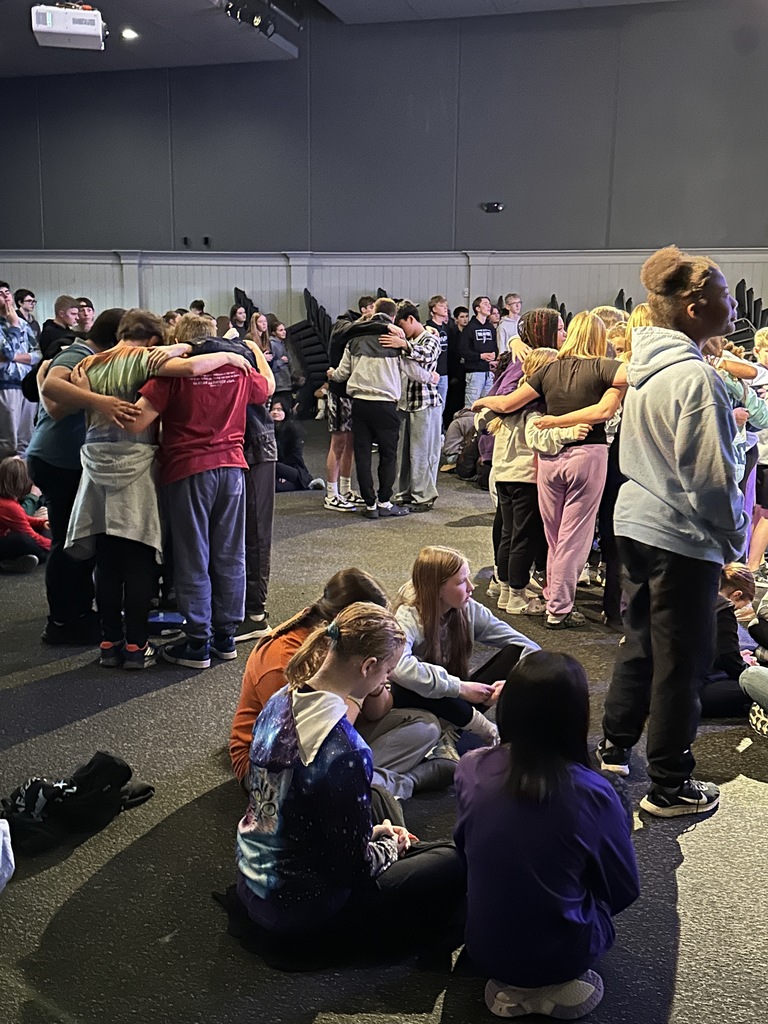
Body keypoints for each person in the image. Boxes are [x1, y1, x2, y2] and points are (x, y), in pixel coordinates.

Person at [597, 246, 748, 818]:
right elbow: (711, 482)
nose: (733, 303)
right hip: (680, 535)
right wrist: (735, 543)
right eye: (726, 295)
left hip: (636, 521)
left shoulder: (645, 367)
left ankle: (614, 746)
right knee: (683, 661)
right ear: (693, 308)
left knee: (639, 640)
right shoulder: (695, 378)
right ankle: (670, 784)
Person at [235, 602, 466, 950]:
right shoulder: (345, 750)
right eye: (386, 671)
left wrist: (375, 832)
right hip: (303, 910)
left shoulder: (280, 699)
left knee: (379, 800)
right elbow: (354, 867)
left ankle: (400, 831)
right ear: (368, 666)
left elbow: (294, 808)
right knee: (453, 860)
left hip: (254, 880)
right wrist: (390, 844)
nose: (386, 679)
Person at [454, 651, 639, 1020]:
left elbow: (465, 852)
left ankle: (515, 988)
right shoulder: (594, 792)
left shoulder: (470, 766)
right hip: (564, 955)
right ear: (577, 715)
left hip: (482, 948)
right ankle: (553, 985)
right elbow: (622, 889)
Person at [64, 310, 251, 669]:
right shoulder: (224, 368)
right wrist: (235, 353)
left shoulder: (95, 364)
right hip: (221, 465)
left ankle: (178, 641)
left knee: (129, 558)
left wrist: (93, 401)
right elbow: (265, 387)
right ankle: (220, 636)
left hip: (144, 467)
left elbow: (55, 391)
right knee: (222, 553)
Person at [121, 313, 270, 669]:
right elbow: (267, 388)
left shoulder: (173, 373)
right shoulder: (239, 369)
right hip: (232, 468)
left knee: (193, 556)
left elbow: (138, 420)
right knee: (230, 554)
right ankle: (225, 636)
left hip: (189, 471)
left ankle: (198, 641)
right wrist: (249, 349)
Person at [230, 568, 450, 800]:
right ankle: (404, 783)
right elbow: (308, 743)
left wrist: (373, 685)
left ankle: (365, 779)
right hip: (277, 761)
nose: (388, 676)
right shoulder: (282, 661)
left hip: (330, 732)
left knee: (426, 725)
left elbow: (376, 713)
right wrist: (358, 695)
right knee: (334, 779)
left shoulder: (348, 650)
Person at [475, 311, 625, 629]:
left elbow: (507, 403)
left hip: (547, 459)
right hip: (587, 457)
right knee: (575, 537)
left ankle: (552, 596)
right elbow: (605, 410)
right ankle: (558, 608)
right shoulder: (607, 368)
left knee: (554, 535)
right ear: (600, 339)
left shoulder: (548, 370)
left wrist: (483, 402)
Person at [27, 309, 131, 644]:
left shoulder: (87, 356)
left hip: (64, 458)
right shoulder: (78, 352)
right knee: (68, 544)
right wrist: (101, 402)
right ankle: (61, 622)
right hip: (57, 460)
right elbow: (54, 395)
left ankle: (78, 612)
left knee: (80, 539)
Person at [476, 348, 590, 615]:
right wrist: (572, 432)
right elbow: (541, 440)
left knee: (508, 534)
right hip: (525, 477)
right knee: (523, 538)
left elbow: (482, 420)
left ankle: (505, 588)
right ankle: (516, 595)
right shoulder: (535, 406)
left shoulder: (509, 402)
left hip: (504, 475)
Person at [390, 546, 540, 748]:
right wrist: (459, 688)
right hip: (418, 700)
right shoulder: (407, 615)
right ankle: (483, 729)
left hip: (456, 695)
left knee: (517, 653)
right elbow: (398, 667)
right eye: (462, 582)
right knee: (410, 680)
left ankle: (451, 723)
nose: (472, 587)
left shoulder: (468, 608)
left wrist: (510, 684)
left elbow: (527, 646)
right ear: (437, 588)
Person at [327, 297, 435, 520]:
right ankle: (384, 501)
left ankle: (369, 505)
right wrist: (430, 378)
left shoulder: (355, 340)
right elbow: (412, 370)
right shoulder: (394, 338)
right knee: (388, 456)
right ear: (394, 317)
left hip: (360, 405)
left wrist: (331, 375)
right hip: (385, 406)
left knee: (363, 455)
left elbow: (342, 373)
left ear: (372, 312)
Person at [382, 300, 442, 512]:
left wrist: (404, 345)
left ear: (411, 320)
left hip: (426, 403)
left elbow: (427, 355)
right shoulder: (410, 339)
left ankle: (423, 497)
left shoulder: (430, 338)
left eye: (402, 325)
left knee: (423, 452)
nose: (401, 331)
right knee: (405, 453)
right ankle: (406, 492)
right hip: (406, 404)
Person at [323, 297, 377, 513]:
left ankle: (345, 489)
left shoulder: (360, 330)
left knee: (351, 443)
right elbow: (344, 330)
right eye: (373, 310)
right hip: (339, 393)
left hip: (354, 393)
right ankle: (331, 494)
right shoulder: (343, 323)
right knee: (338, 443)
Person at [699, 564, 755, 718]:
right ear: (736, 595)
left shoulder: (692, 594)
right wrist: (747, 668)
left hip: (653, 686)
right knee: (757, 685)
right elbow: (728, 658)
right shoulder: (723, 607)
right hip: (691, 691)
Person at [0, 281, 40, 458]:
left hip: (26, 383)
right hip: (6, 384)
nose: (6, 296)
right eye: (0, 293)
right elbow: (6, 351)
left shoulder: (24, 324)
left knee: (26, 437)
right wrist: (13, 325)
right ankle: (6, 480)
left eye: (7, 292)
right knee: (9, 439)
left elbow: (38, 353)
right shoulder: (16, 324)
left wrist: (14, 358)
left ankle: (23, 478)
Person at [0, 456, 50, 572]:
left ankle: (13, 561)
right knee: (27, 541)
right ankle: (5, 564)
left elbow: (22, 518)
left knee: (29, 541)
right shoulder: (9, 506)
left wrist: (42, 522)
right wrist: (56, 546)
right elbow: (30, 535)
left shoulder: (7, 501)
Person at [271, 399, 324, 491]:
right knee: (270, 487)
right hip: (275, 471)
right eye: (273, 409)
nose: (275, 412)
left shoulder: (292, 430)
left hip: (292, 468)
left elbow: (295, 456)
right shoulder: (267, 430)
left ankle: (307, 481)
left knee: (273, 466)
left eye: (279, 409)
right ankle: (306, 485)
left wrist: (284, 473)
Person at [460, 296, 497, 405]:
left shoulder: (490, 327)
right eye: (485, 304)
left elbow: (494, 345)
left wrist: (494, 354)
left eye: (489, 304)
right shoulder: (469, 328)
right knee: (471, 405)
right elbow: (462, 350)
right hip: (475, 372)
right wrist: (480, 356)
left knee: (487, 405)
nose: (489, 306)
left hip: (489, 372)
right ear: (477, 308)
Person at [39, 294, 80, 359]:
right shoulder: (49, 332)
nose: (77, 318)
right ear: (61, 313)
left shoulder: (69, 332)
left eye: (77, 314)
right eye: (73, 314)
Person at [267, 319, 292, 409]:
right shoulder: (272, 345)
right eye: (280, 330)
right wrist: (281, 361)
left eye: (284, 330)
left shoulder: (283, 344)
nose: (284, 332)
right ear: (274, 332)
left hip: (285, 381)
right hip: (279, 383)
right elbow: (270, 364)